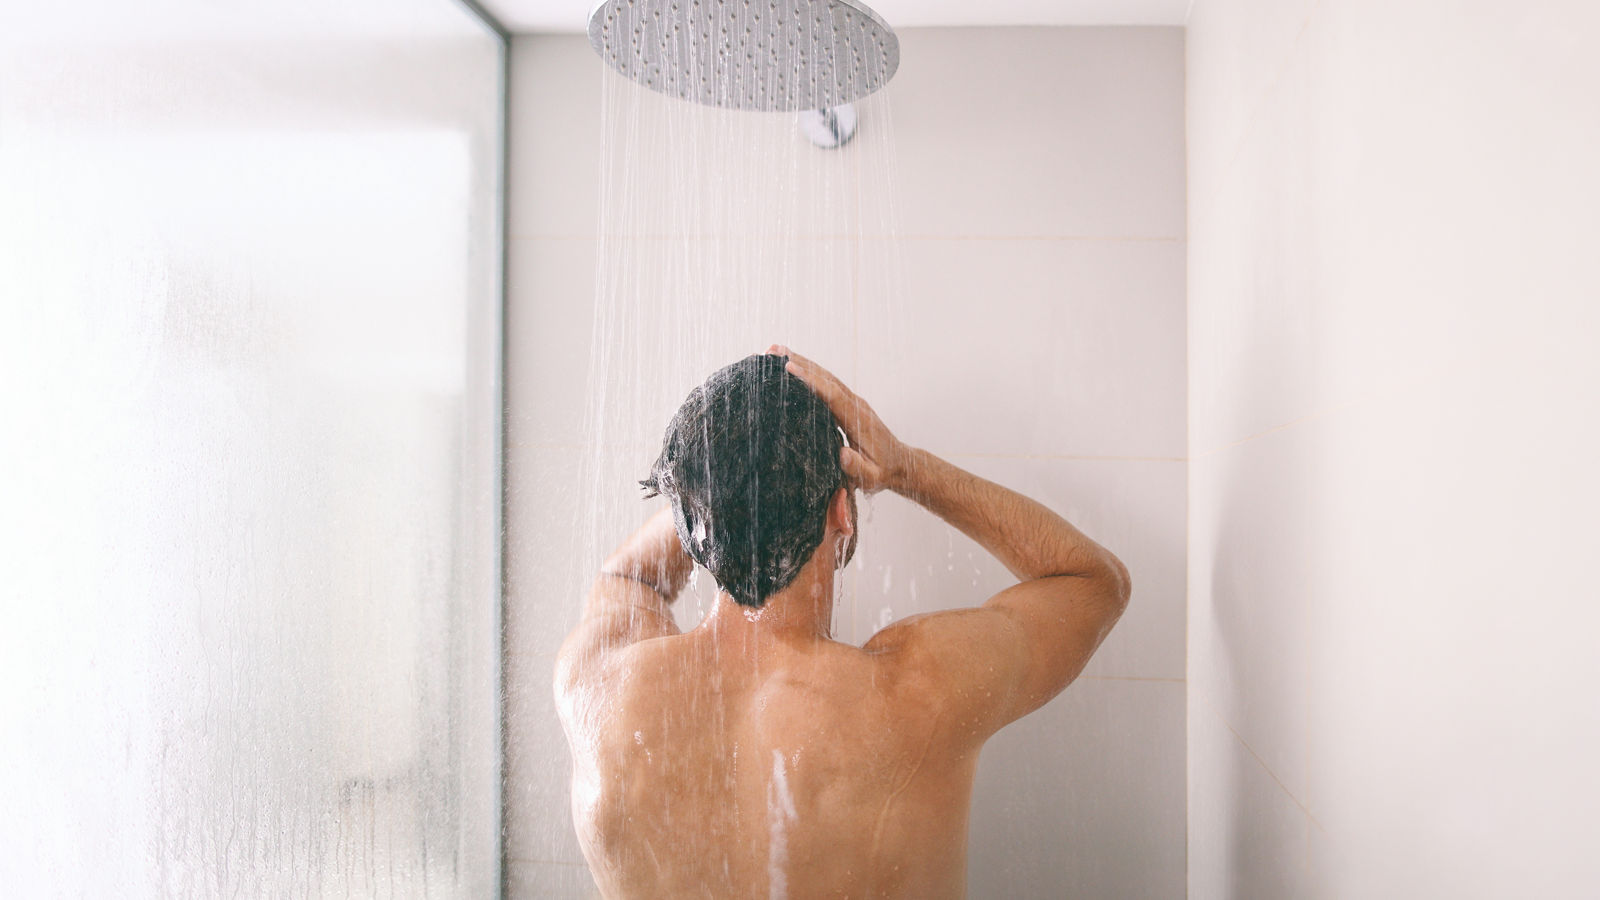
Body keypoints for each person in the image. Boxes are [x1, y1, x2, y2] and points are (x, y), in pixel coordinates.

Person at [555, 347, 1131, 898]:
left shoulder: (600, 688)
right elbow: (1090, 582)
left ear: (687, 519)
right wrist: (902, 467)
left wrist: (719, 488)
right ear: (840, 509)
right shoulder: (917, 692)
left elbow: (628, 578)